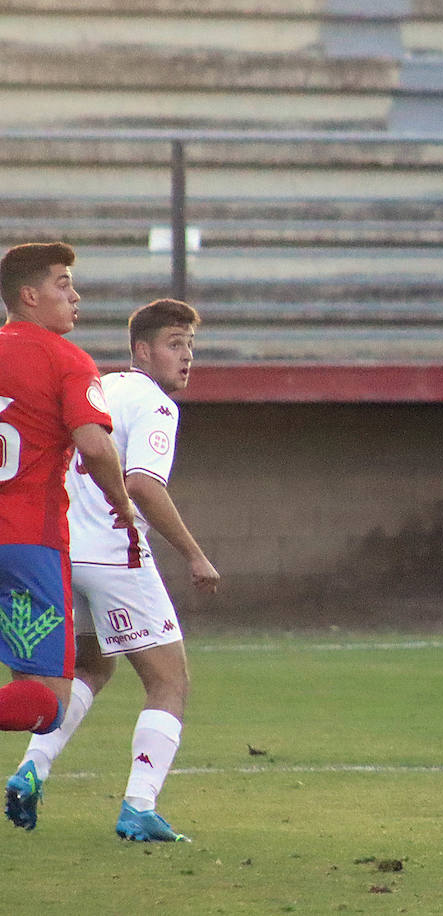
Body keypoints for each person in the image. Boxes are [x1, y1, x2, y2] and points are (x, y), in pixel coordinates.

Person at [7, 298, 219, 843]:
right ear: (142, 350)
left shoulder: (99, 385)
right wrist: (194, 553)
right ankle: (138, 807)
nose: (187, 356)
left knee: (93, 668)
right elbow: (145, 483)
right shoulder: (155, 405)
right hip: (114, 558)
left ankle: (34, 767)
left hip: (60, 555)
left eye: (190, 345)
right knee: (169, 681)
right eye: (176, 344)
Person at [0, 242, 136, 799]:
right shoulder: (66, 360)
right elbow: (96, 448)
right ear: (30, 296)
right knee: (48, 701)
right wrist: (123, 504)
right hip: (28, 543)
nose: (75, 296)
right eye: (63, 283)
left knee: (24, 690)